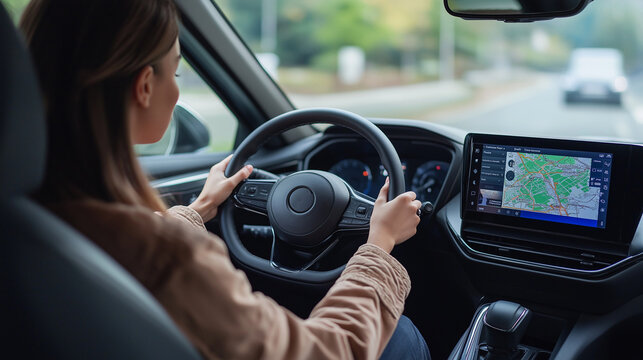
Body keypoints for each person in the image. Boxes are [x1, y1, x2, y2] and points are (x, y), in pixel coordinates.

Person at [19, 0, 430, 359]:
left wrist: (198, 209)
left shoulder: (30, 217)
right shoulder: (174, 261)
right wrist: (379, 245)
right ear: (145, 85)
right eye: (176, 74)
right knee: (402, 334)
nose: (176, 90)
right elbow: (327, 351)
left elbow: (132, 249)